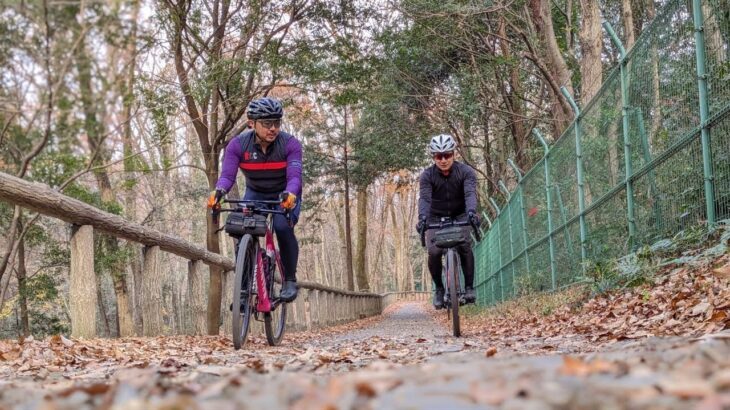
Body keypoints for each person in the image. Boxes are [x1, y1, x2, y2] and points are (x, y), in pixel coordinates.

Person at [207, 97, 302, 302]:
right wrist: (219, 192)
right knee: (243, 232)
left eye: (277, 123)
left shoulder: (290, 144)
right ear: (252, 123)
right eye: (267, 123)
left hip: (285, 194)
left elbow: (295, 177)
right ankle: (243, 291)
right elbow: (227, 177)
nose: (273, 128)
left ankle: (290, 280)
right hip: (255, 193)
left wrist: (290, 194)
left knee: (282, 227)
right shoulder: (238, 145)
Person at [416, 134, 480, 309]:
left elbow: (470, 194)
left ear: (453, 154)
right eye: (438, 156)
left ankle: (468, 287)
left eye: (447, 155)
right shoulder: (427, 176)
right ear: (433, 157)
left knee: (465, 247)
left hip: (460, 215)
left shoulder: (466, 172)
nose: (443, 160)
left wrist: (472, 213)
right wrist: (422, 218)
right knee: (434, 252)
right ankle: (439, 288)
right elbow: (425, 199)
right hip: (435, 218)